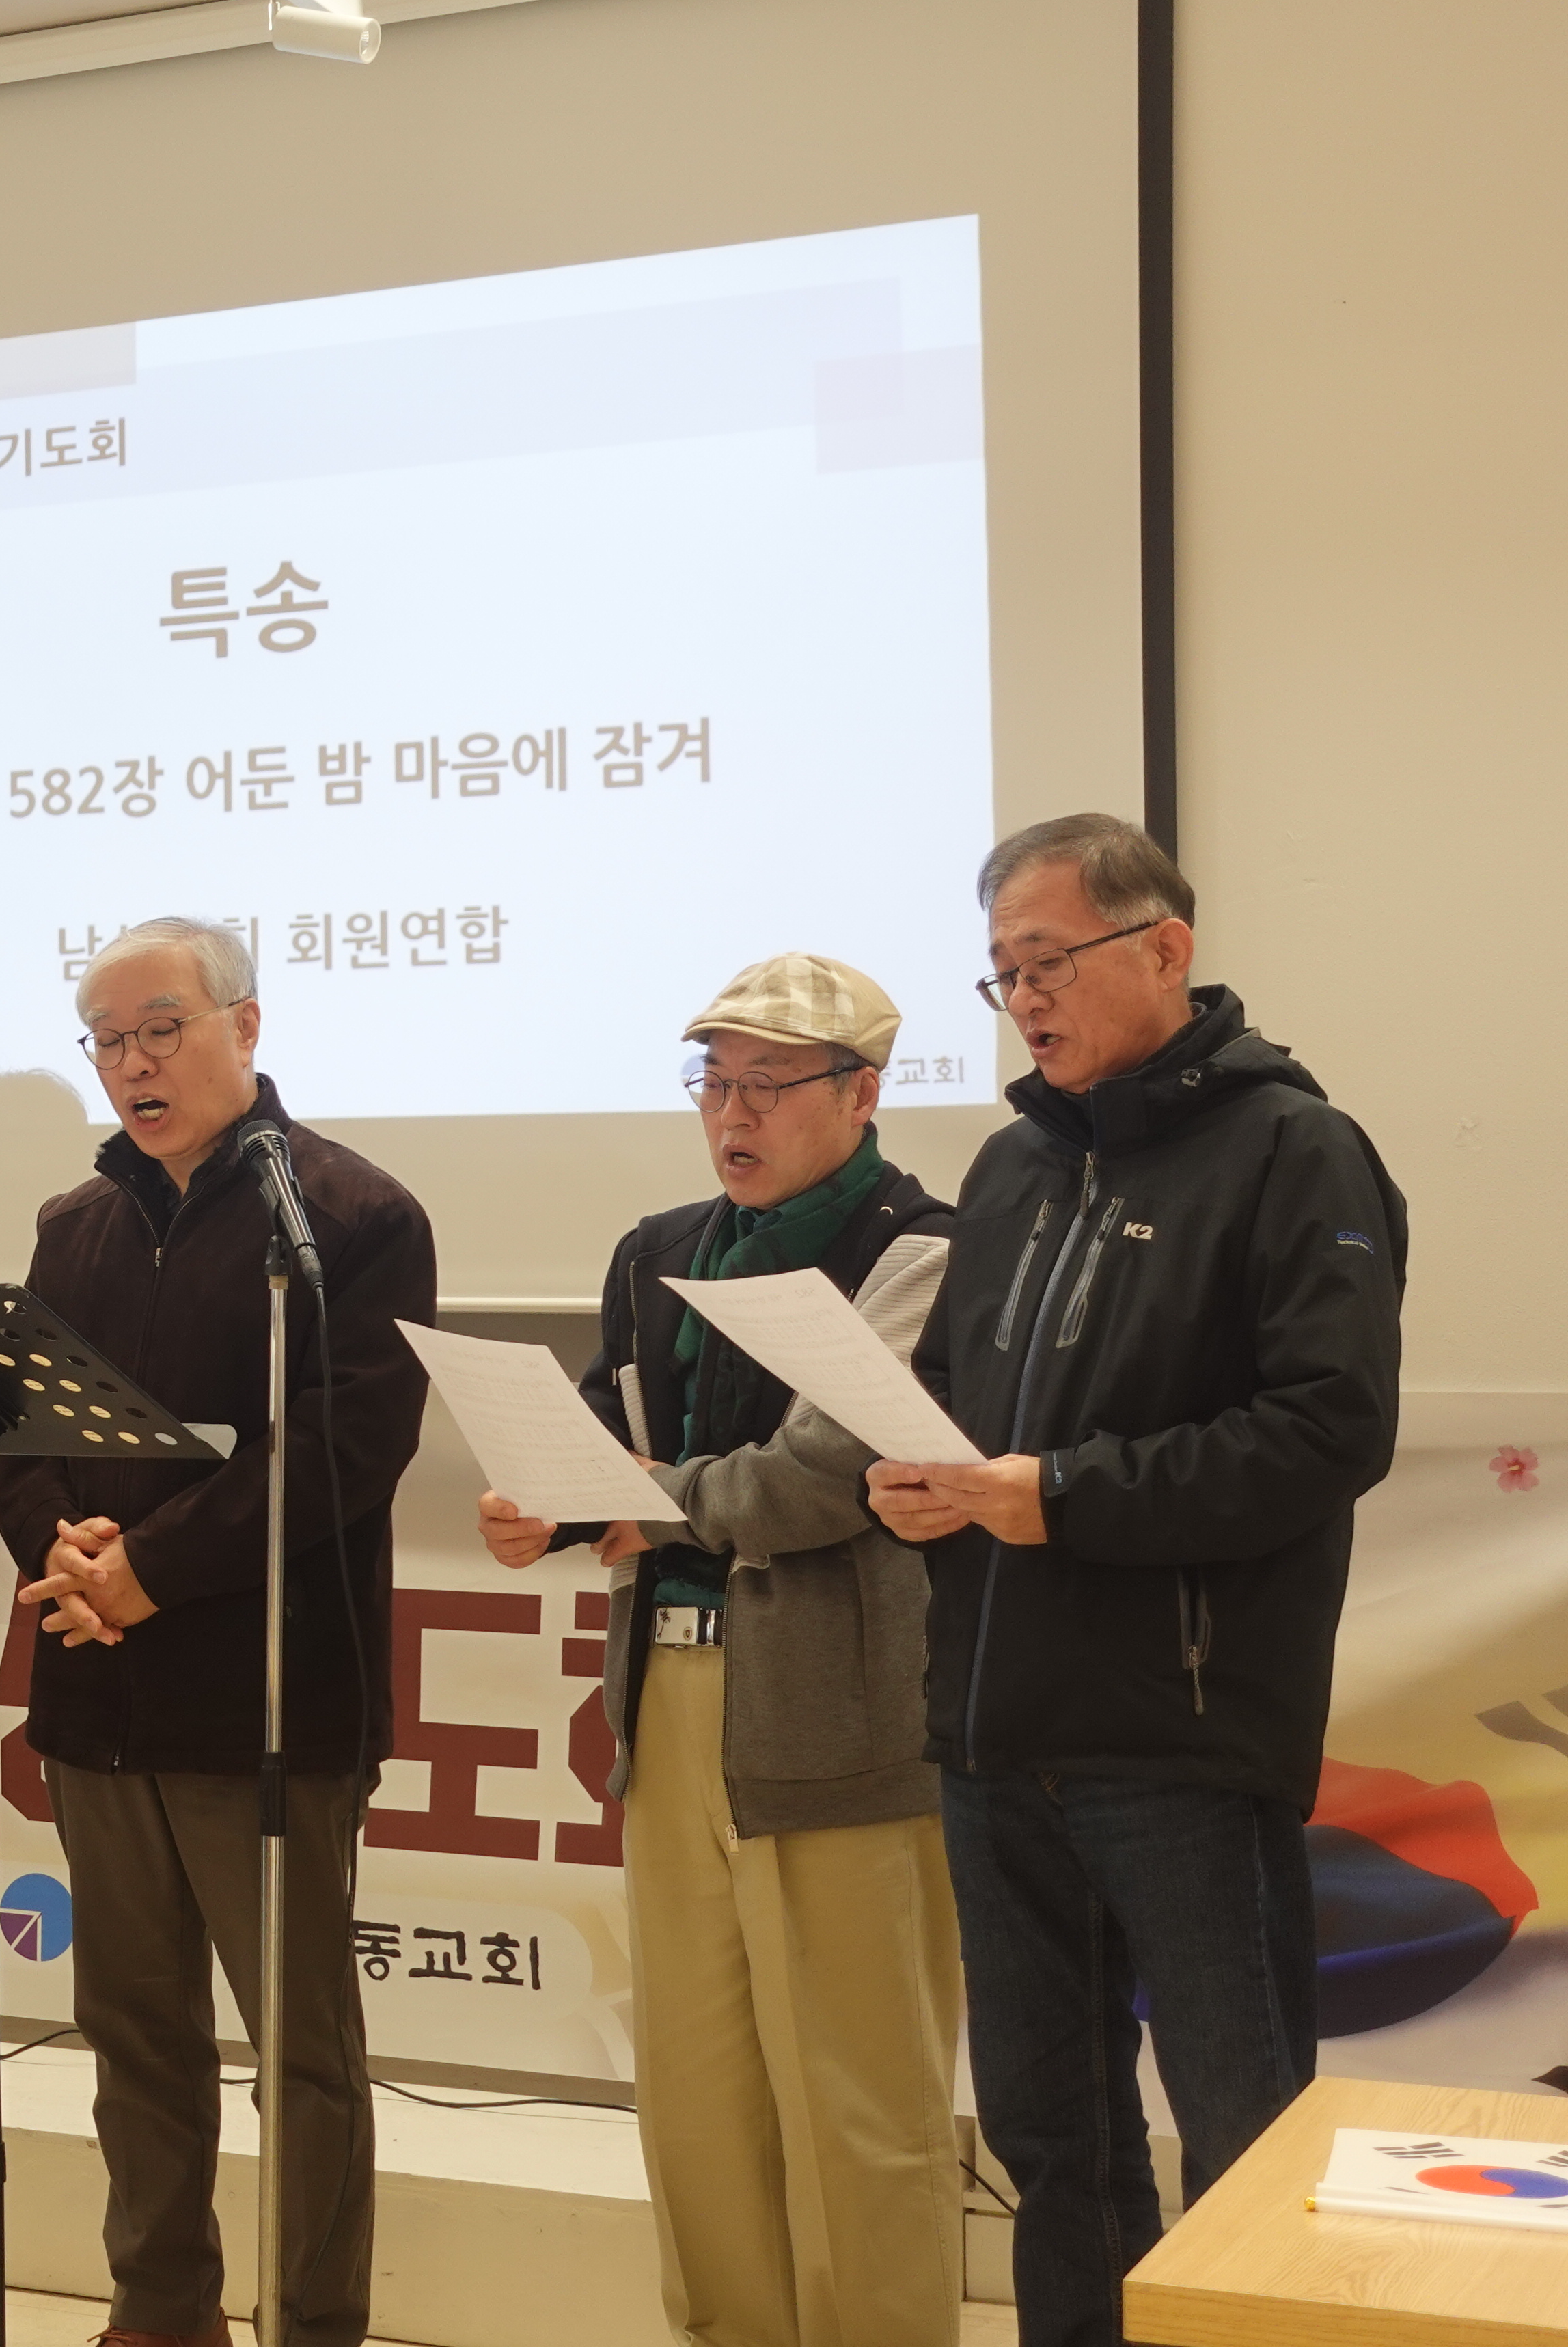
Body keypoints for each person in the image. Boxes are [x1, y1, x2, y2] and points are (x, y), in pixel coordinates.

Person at [868, 816, 1405, 2347]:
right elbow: (956, 1401)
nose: (1023, 1000)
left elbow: (1328, 1429)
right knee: (1054, 2145)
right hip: (994, 1735)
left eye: (1047, 961)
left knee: (1247, 2144)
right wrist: (915, 1481)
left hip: (1180, 1739)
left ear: (1163, 948)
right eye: (1001, 974)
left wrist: (1058, 1496)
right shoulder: (1012, 1164)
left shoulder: (1294, 1149)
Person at [477, 955, 964, 2347]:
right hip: (668, 1693)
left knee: (858, 2094)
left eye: (767, 1085)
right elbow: (600, 1433)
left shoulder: (924, 1249)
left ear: (862, 1093)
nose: (732, 1114)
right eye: (714, 1082)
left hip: (837, 1710)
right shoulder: (658, 1250)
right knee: (693, 2088)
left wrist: (646, 1501)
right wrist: (551, 1506)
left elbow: (829, 1472)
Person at [0, 918, 434, 2347]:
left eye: (161, 1029)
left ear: (245, 1024)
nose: (133, 1063)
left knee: (300, 2055)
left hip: (268, 1708)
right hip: (100, 1695)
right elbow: (10, 1424)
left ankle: (313, 2321)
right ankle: (160, 2310)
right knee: (136, 2040)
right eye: (108, 1041)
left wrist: (152, 1570)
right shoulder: (73, 1226)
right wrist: (61, 1549)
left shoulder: (351, 1220)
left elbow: (344, 1448)